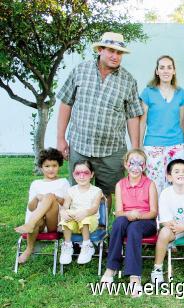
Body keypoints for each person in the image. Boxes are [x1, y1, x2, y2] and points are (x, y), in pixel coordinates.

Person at [56, 32, 143, 209]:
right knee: (78, 192)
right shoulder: (80, 70)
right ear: (100, 49)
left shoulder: (128, 80)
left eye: (119, 53)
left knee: (106, 194)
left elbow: (133, 115)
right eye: (111, 51)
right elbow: (66, 103)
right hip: (80, 146)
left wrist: (135, 148)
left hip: (112, 150)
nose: (115, 56)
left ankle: (102, 232)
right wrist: (60, 138)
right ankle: (77, 234)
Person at [100, 149, 158, 297]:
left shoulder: (150, 184)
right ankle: (111, 267)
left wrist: (138, 216)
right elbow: (119, 212)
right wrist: (129, 214)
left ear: (144, 166)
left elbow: (153, 212)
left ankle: (134, 276)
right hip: (126, 218)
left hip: (146, 221)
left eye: (140, 164)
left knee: (134, 228)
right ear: (126, 164)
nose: (135, 167)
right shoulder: (120, 184)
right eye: (132, 163)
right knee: (119, 222)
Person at [140, 55, 184, 194]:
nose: (166, 71)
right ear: (157, 71)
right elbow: (142, 122)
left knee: (178, 184)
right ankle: (157, 215)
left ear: (174, 71)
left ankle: (175, 215)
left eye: (169, 67)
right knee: (155, 185)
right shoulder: (148, 92)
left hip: (177, 145)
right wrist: (138, 147)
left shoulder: (181, 93)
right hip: (153, 145)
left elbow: (182, 121)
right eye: (162, 67)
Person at [14, 148, 70, 263]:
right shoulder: (36, 184)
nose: (51, 169)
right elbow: (31, 208)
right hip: (39, 223)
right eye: (47, 166)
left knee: (49, 196)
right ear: (41, 167)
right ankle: (29, 249)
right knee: (37, 219)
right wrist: (36, 198)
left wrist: (55, 198)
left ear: (59, 166)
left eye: (54, 165)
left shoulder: (63, 182)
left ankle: (29, 224)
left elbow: (68, 204)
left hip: (53, 222)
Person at [59, 160, 102, 265]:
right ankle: (68, 246)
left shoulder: (96, 191)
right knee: (66, 219)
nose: (81, 176)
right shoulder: (71, 190)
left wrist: (84, 213)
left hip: (90, 221)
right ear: (73, 175)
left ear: (91, 174)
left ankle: (87, 245)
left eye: (85, 173)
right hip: (74, 220)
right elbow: (65, 207)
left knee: (84, 218)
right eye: (78, 173)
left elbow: (95, 208)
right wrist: (63, 212)